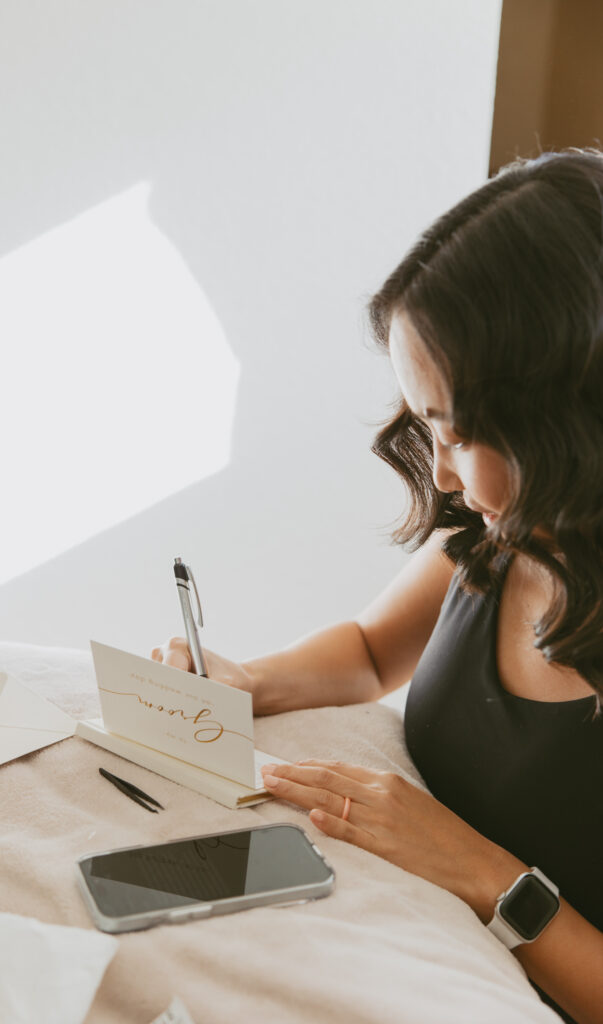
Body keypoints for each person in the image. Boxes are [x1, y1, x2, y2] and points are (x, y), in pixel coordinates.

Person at [153, 149, 603, 1024]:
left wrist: (479, 871)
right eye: (422, 421)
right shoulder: (506, 541)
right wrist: (251, 682)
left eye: (458, 430)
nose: (436, 476)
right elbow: (366, 653)